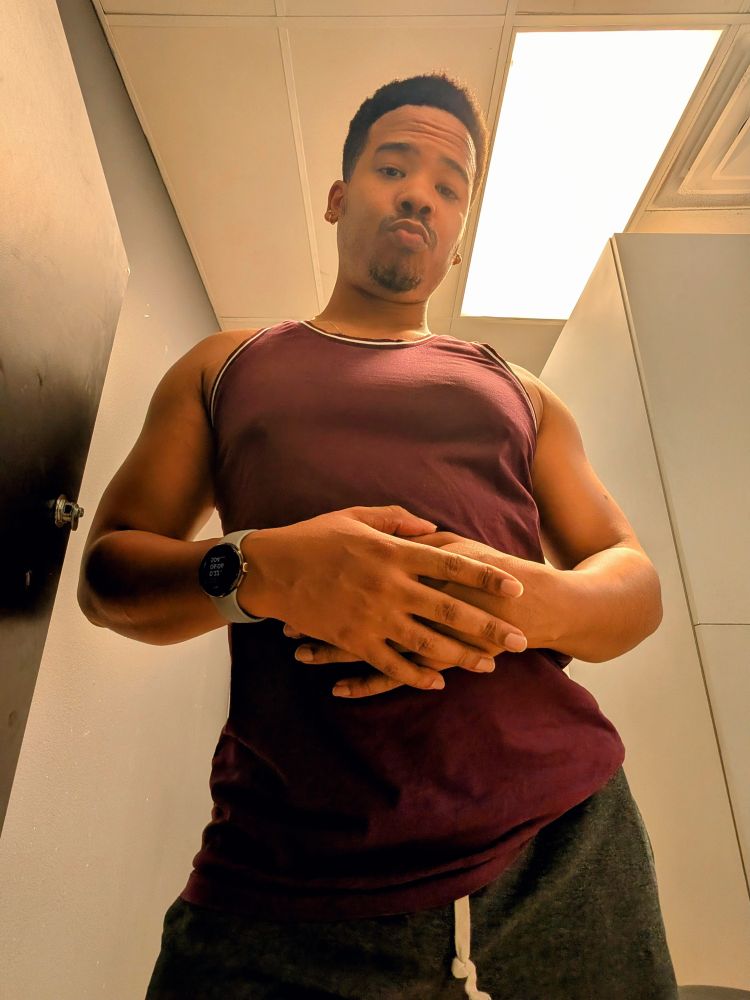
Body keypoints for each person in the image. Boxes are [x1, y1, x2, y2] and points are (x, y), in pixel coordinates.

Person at [78, 73, 679, 999]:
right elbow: (109, 572)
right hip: (285, 885)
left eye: (449, 186)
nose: (420, 195)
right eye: (394, 166)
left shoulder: (521, 390)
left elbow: (631, 581)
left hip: (564, 849)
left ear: (458, 231)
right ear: (339, 195)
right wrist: (260, 569)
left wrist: (528, 596)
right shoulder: (224, 363)